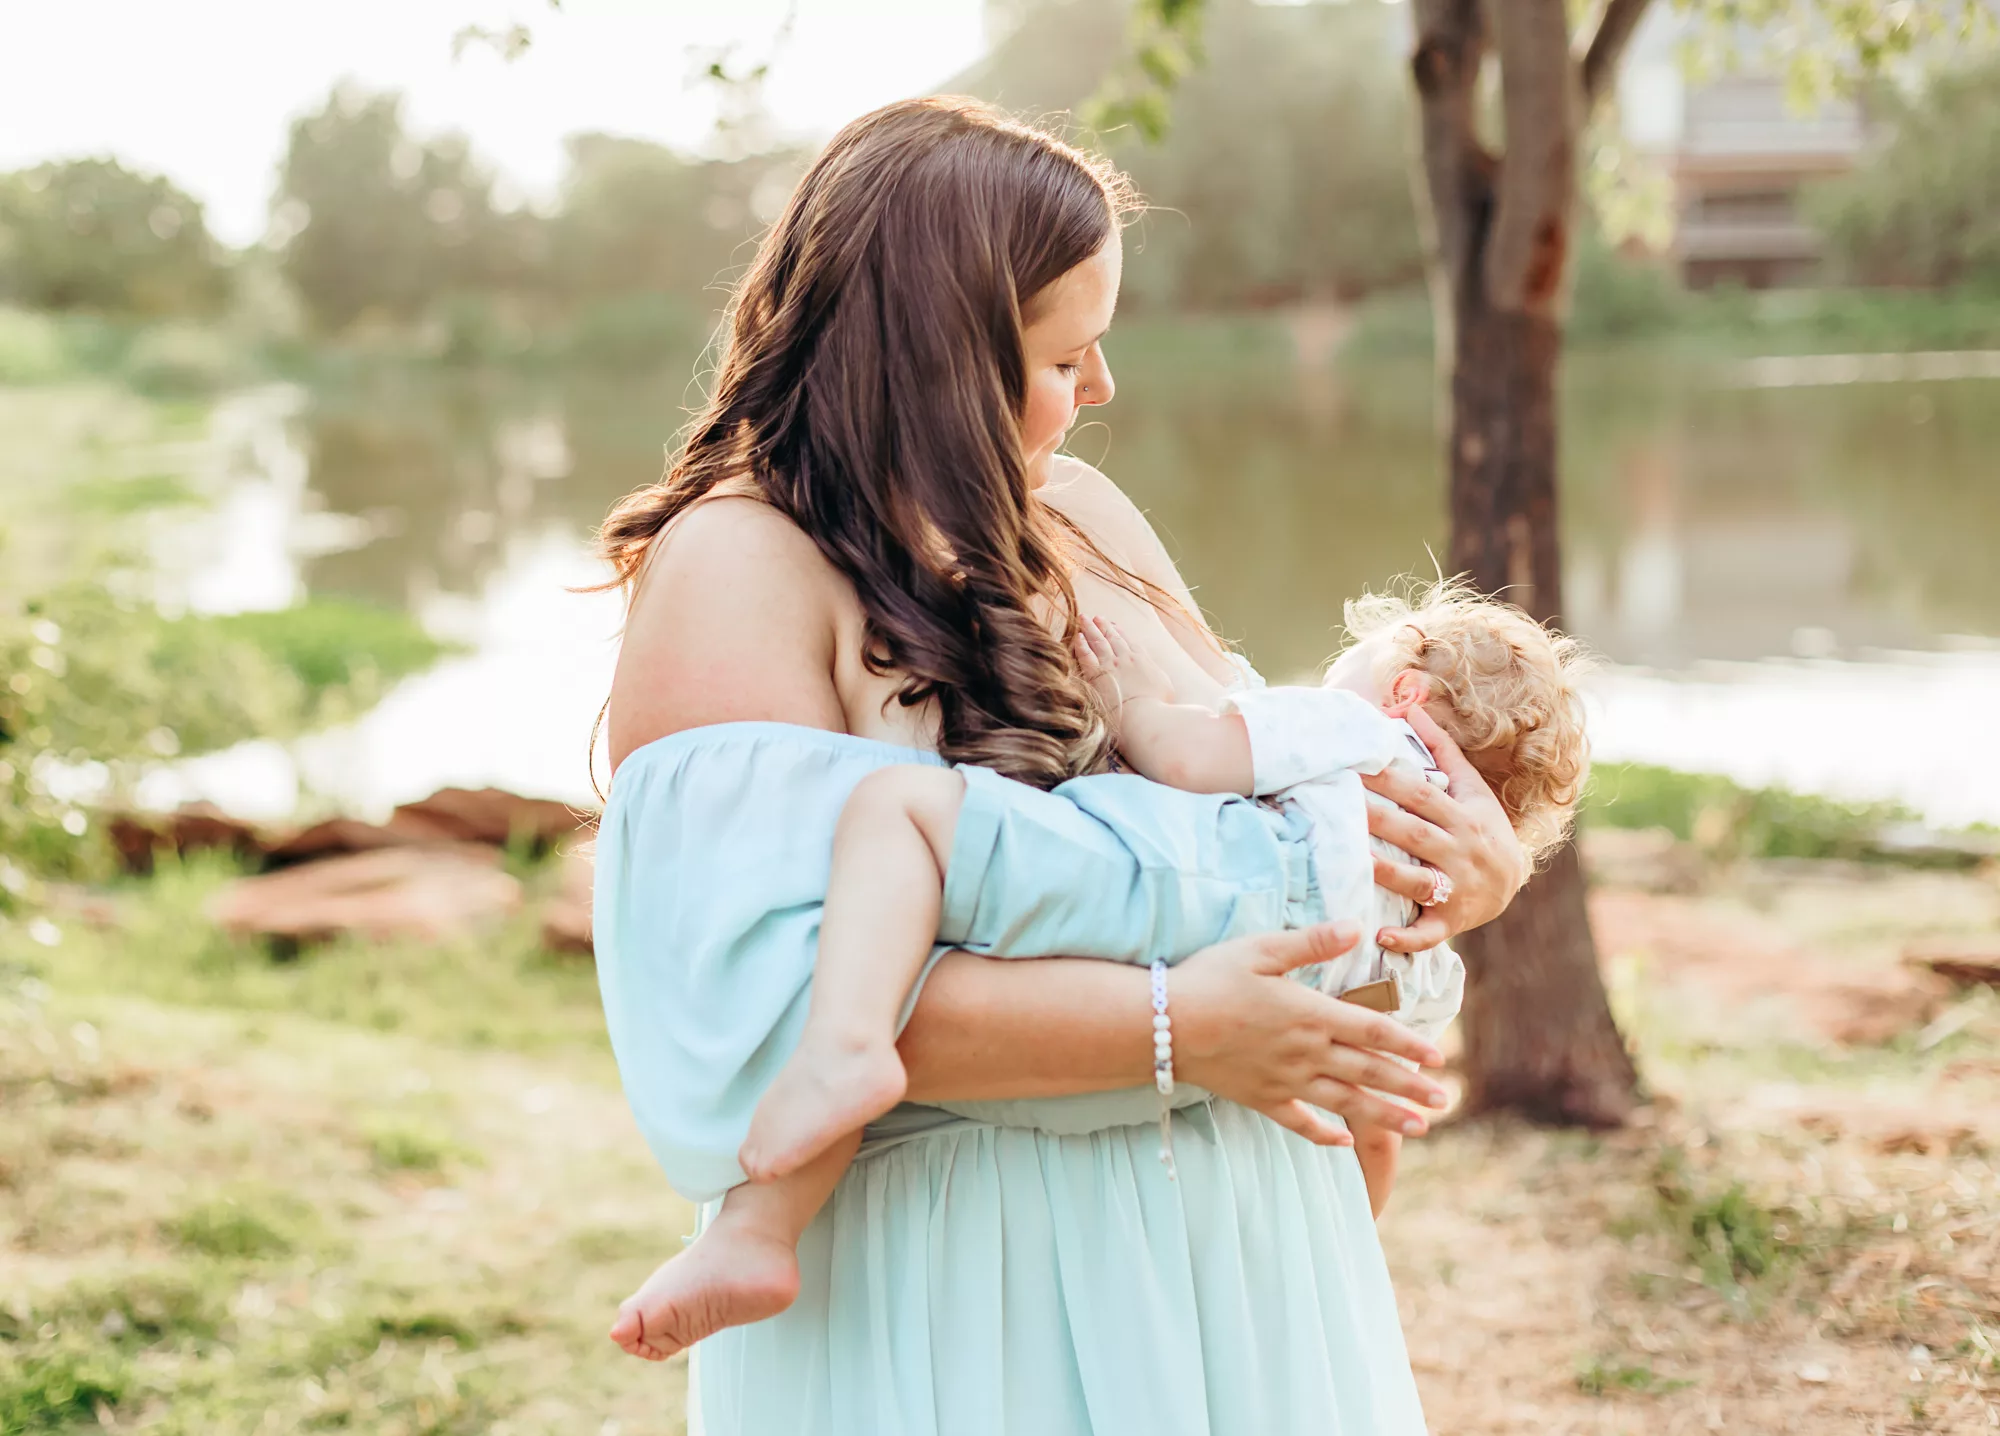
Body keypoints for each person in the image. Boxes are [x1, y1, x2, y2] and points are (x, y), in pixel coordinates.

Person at [591, 95, 1527, 1435]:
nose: (1100, 391)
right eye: (1062, 355)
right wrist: (1175, 1028)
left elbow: (1255, 845)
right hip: (964, 1280)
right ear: (932, 356)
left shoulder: (1076, 511)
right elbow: (767, 1003)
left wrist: (1450, 882)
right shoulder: (740, 566)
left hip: (1237, 1242)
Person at [621, 584, 1588, 1341]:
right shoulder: (1427, 957)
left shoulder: (1361, 734)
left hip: (1188, 887)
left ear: (1406, 687)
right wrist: (1342, 1254)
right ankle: (766, 1220)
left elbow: (1189, 759)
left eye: (1356, 658)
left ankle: (787, 1171)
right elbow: (1372, 1125)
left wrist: (1129, 694)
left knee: (901, 820)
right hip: (1232, 1023)